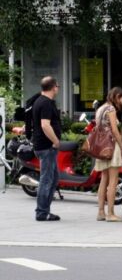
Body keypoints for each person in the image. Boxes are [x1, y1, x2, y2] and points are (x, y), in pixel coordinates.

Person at [94, 87, 122, 222]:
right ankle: (111, 213)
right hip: (112, 147)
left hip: (101, 147)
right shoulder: (111, 110)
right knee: (113, 181)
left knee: (104, 179)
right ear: (117, 96)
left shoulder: (100, 109)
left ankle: (101, 212)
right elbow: (114, 130)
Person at [32, 76, 62, 222]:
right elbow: (45, 125)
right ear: (53, 87)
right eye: (58, 86)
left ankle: (44, 210)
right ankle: (42, 212)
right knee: (47, 179)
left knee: (53, 178)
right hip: (47, 147)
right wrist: (55, 141)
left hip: (42, 146)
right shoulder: (46, 103)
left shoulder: (39, 101)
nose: (58, 88)